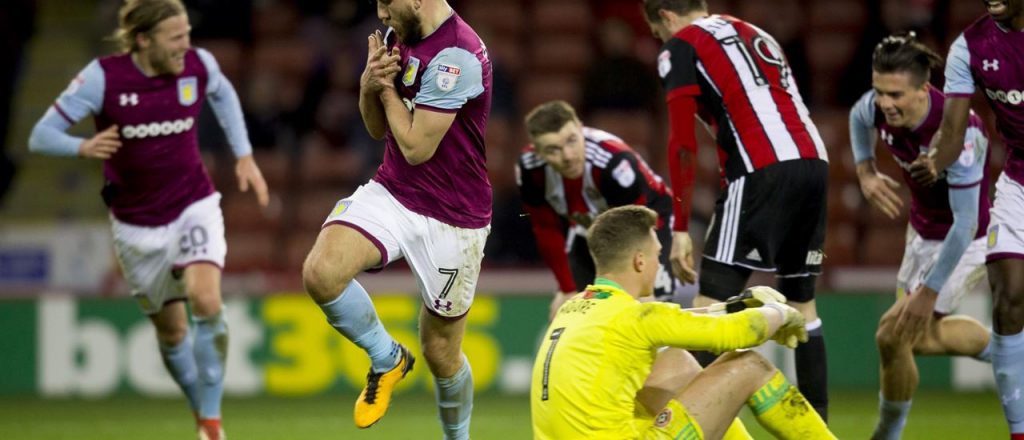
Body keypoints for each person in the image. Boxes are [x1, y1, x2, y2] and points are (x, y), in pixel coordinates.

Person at [27, 1, 269, 439]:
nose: (186, 46)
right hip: (136, 224)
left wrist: (244, 155)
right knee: (172, 331)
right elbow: (41, 135)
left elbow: (224, 94)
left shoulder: (198, 65)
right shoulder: (103, 78)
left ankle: (212, 423)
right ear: (144, 40)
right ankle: (202, 411)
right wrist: (80, 148)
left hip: (193, 203)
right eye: (175, 38)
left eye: (187, 35)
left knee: (206, 300)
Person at [300, 0, 491, 438]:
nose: (381, 12)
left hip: (454, 217)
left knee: (441, 353)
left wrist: (384, 90)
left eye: (387, 2)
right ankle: (387, 358)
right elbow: (377, 130)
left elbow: (415, 147)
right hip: (394, 192)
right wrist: (369, 85)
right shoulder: (397, 37)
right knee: (321, 273)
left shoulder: (457, 54)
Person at [641, 0, 830, 420]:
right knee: (803, 307)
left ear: (666, 17)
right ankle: (819, 430)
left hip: (761, 168)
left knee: (710, 305)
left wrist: (680, 226)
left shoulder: (681, 45)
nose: (661, 41)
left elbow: (682, 143)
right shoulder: (754, 31)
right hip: (814, 162)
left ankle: (689, 426)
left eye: (657, 33)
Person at [530, 205, 836, 440]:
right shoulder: (635, 316)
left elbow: (678, 322)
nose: (658, 264)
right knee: (750, 366)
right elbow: (740, 334)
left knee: (670, 362)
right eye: (657, 256)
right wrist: (780, 312)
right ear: (639, 261)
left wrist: (734, 307)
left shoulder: (576, 308)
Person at [849, 32, 995, 440]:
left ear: (925, 88)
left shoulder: (959, 132)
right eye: (880, 91)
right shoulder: (877, 107)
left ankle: (886, 434)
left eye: (895, 94)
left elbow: (965, 224)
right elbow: (858, 116)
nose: (884, 103)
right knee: (910, 341)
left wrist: (928, 292)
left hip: (966, 240)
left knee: (891, 335)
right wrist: (864, 170)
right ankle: (1010, 352)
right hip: (922, 234)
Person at [908, 1, 1024, 438]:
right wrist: (936, 160)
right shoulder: (970, 47)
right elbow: (953, 131)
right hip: (1018, 183)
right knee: (1009, 300)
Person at [517, 100, 677, 319]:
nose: (568, 156)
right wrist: (567, 288)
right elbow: (545, 228)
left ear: (581, 128)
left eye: (572, 141)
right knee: (575, 314)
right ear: (538, 152)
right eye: (553, 149)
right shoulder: (529, 168)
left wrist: (640, 286)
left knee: (648, 316)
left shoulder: (614, 162)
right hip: (588, 230)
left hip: (646, 224)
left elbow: (633, 228)